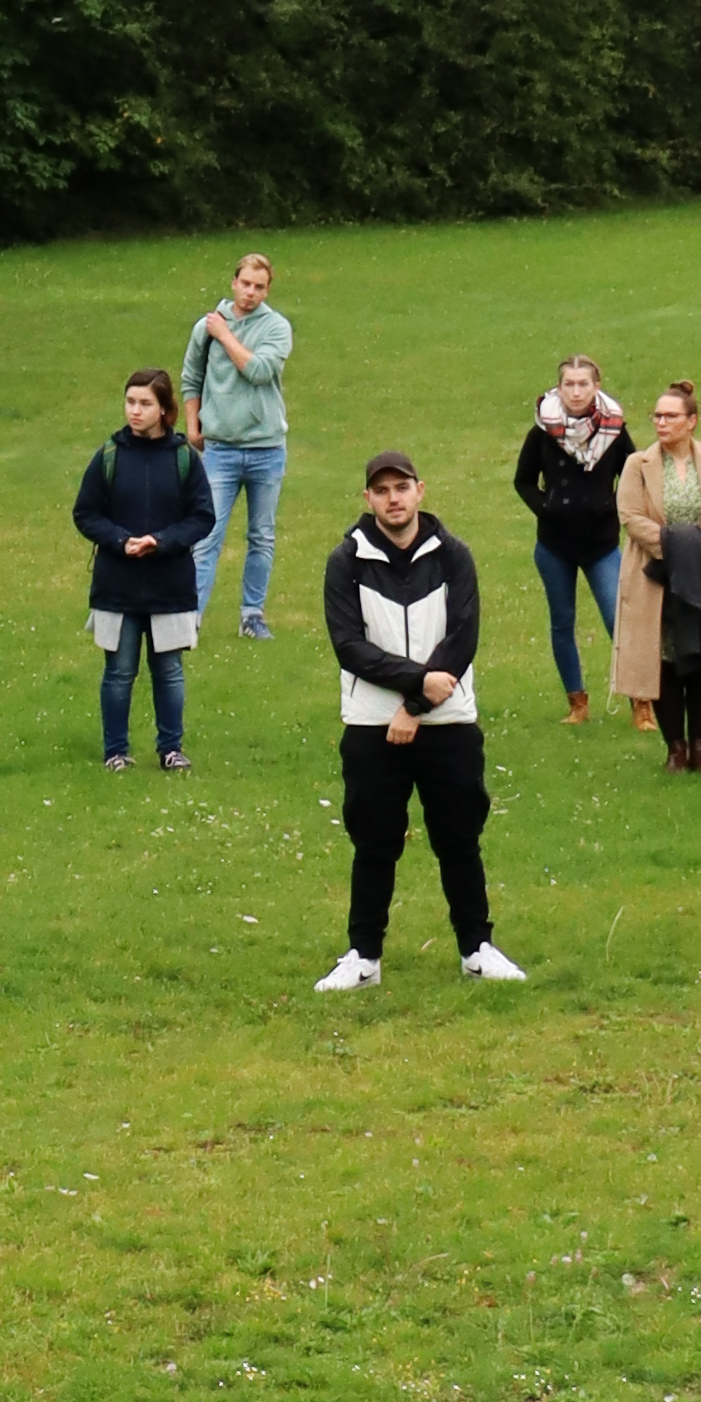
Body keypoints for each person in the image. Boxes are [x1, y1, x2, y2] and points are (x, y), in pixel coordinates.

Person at [315, 456, 521, 988]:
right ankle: (363, 957)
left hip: (448, 721)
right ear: (368, 499)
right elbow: (349, 646)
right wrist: (415, 685)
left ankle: (477, 948)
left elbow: (463, 638)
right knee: (374, 840)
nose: (393, 498)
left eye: (401, 487)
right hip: (370, 724)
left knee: (458, 838)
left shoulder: (454, 556)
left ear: (420, 490)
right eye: (381, 490)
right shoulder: (346, 562)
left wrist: (414, 707)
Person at [75, 372, 214, 777]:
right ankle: (114, 750)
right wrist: (122, 541)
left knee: (169, 671)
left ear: (165, 410)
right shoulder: (109, 455)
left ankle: (171, 748)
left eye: (145, 403)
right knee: (118, 672)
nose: (135, 411)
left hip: (169, 584)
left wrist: (160, 541)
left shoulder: (184, 457)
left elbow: (202, 516)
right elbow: (86, 513)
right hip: (117, 584)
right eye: (130, 402)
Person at [612, 383, 701, 771]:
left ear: (692, 422)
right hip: (657, 577)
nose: (661, 422)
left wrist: (699, 545)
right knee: (665, 658)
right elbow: (631, 517)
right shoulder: (638, 464)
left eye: (670, 416)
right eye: (657, 415)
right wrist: (674, 549)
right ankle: (675, 748)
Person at [509, 358, 634, 727]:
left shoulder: (614, 428)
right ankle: (577, 702)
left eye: (583, 384)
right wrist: (545, 508)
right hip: (555, 546)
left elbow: (635, 472)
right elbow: (523, 480)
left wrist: (613, 505)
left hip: (602, 545)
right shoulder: (543, 431)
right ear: (558, 388)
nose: (576, 391)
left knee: (618, 621)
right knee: (562, 623)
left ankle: (640, 701)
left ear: (596, 386)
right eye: (569, 384)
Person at [182, 253, 294, 636]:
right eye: (245, 283)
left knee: (261, 535)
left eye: (259, 286)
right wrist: (192, 426)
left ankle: (252, 615)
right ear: (234, 283)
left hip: (267, 448)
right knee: (207, 535)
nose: (250, 292)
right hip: (221, 450)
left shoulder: (276, 328)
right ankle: (189, 619)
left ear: (267, 290)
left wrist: (226, 335)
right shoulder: (206, 327)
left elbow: (261, 372)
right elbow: (190, 377)